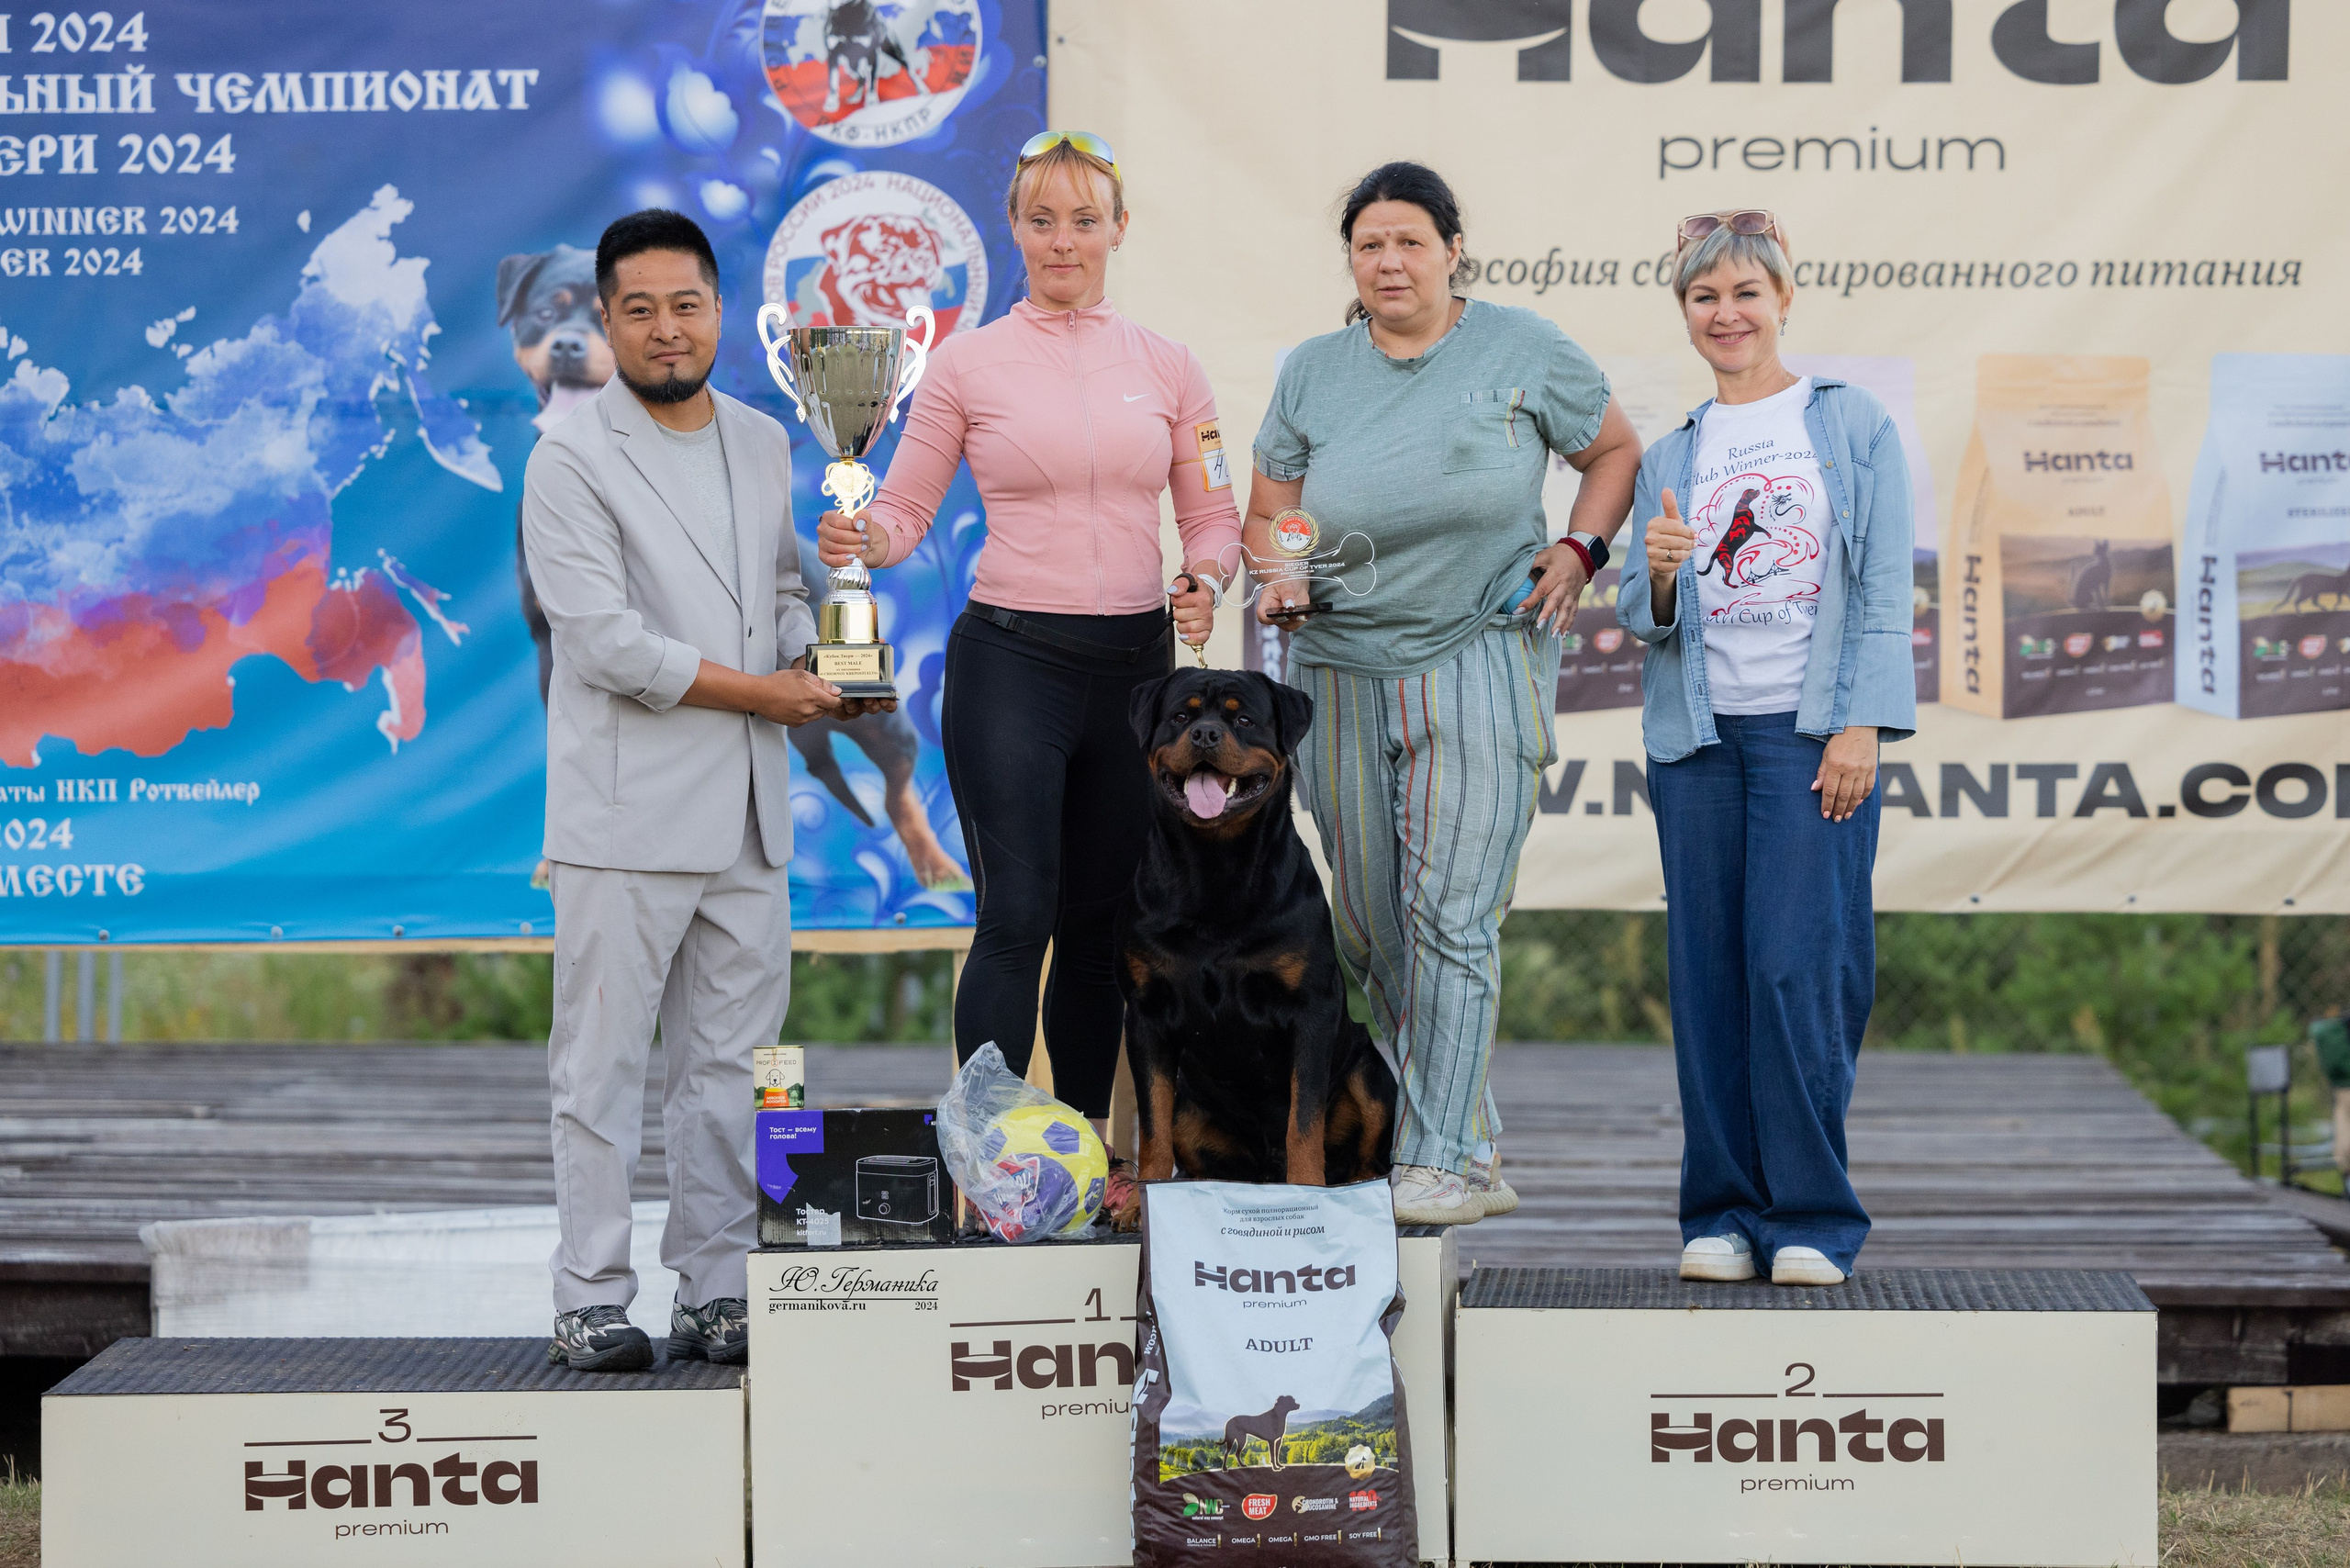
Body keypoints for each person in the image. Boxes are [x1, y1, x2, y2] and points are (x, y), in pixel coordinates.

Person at [818, 132, 1239, 1136]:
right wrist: (860, 533)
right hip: (1012, 660)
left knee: (1100, 932)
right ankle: (990, 1159)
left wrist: (1205, 577)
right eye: (1041, 220)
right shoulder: (965, 364)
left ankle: (1076, 1161)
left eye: (1084, 221)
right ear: (1013, 229)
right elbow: (906, 514)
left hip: (1137, 672)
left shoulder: (1171, 368)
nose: (1063, 241)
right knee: (1016, 917)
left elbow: (1214, 517)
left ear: (1118, 231)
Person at [1247, 162, 1642, 1225]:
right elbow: (1270, 512)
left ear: (1451, 249)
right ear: (1351, 259)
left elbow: (1612, 450)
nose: (1389, 261)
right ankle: (1468, 1135)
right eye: (1369, 244)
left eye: (1410, 241)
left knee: (1450, 913)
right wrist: (1280, 572)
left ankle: (1441, 1157)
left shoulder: (1522, 349)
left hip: (1477, 651)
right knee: (1375, 930)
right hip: (1335, 667)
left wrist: (1580, 546)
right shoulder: (1312, 371)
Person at [523, 209, 885, 1370]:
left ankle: (717, 1288)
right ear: (608, 322)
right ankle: (589, 1295)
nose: (666, 329)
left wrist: (826, 652)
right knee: (603, 1067)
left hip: (747, 814)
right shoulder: (569, 457)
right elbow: (604, 646)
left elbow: (779, 594)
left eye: (686, 305)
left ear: (721, 311)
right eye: (640, 310)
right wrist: (768, 695)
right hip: (626, 816)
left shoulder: (763, 439)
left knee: (732, 1069)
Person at [1618, 210, 1916, 1287]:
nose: (1726, 313)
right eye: (1704, 297)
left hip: (1808, 739)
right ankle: (1721, 1214)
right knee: (1708, 976)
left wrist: (1859, 723)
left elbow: (1884, 579)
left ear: (1784, 299)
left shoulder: (1847, 423)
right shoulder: (1673, 449)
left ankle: (1811, 1219)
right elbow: (1643, 617)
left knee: (1799, 970)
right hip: (1697, 744)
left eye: (1746, 292)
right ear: (1684, 314)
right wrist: (1655, 574)